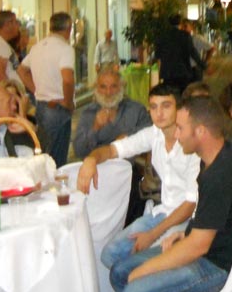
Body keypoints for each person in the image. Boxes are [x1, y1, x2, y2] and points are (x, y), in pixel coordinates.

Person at [109, 97, 232, 292]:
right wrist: (185, 233)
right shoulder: (215, 158)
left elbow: (198, 246)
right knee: (120, 273)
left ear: (200, 131)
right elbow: (211, 220)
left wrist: (145, 270)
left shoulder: (220, 174)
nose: (176, 135)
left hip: (215, 267)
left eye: (180, 128)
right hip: (206, 249)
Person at [78, 83, 201, 271]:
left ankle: (145, 279)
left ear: (179, 108)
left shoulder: (192, 144)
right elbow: (113, 150)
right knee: (109, 255)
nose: (159, 113)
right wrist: (91, 160)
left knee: (126, 269)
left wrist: (152, 234)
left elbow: (190, 204)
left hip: (188, 221)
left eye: (166, 106)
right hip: (162, 213)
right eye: (153, 107)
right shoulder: (154, 134)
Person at [17, 11, 75, 168]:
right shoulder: (65, 49)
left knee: (43, 152)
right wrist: (68, 102)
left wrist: (36, 89)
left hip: (41, 106)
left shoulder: (37, 47)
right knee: (56, 159)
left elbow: (21, 70)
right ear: (68, 28)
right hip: (58, 107)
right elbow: (68, 79)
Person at [73, 67, 151, 159]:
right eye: (103, 87)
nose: (108, 92)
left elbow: (153, 133)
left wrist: (128, 137)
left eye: (113, 86)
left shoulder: (136, 109)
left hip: (126, 166)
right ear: (96, 89)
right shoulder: (88, 113)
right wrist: (95, 127)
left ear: (121, 87)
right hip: (97, 166)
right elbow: (79, 151)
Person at [152, 14, 203, 93]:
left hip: (167, 73)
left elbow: (157, 55)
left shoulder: (161, 36)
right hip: (182, 72)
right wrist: (203, 65)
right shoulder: (185, 36)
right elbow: (193, 53)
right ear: (181, 23)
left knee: (170, 93)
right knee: (182, 94)